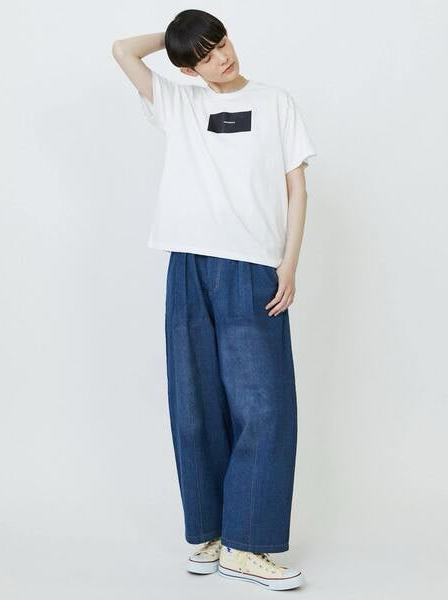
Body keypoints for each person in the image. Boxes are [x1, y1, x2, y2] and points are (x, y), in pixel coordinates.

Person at [112, 9, 317, 591]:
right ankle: (213, 535)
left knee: (265, 406)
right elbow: (123, 50)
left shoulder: (275, 101)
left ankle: (247, 545)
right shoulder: (177, 101)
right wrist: (178, 38)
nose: (221, 58)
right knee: (195, 403)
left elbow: (296, 186)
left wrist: (289, 262)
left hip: (252, 265)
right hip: (188, 264)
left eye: (221, 43)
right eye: (204, 56)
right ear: (187, 68)